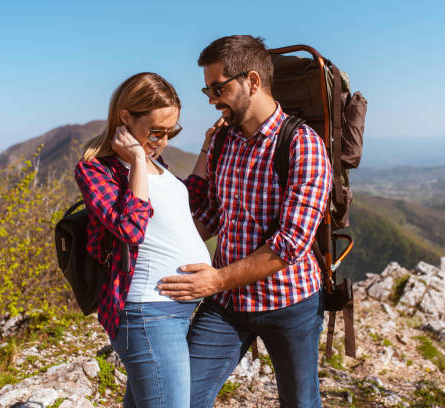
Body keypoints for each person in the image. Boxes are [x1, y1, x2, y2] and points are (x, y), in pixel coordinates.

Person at [158, 35, 332, 408]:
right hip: (228, 303)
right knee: (179, 398)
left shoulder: (303, 145)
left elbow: (290, 244)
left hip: (290, 301)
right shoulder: (224, 142)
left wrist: (216, 278)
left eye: (218, 87)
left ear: (252, 81)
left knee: (301, 402)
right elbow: (207, 214)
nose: (211, 99)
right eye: (206, 89)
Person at [74, 72, 212, 408]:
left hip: (174, 311)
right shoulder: (96, 170)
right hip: (148, 311)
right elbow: (131, 229)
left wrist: (208, 145)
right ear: (125, 117)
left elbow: (187, 200)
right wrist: (136, 159)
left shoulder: (155, 161)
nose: (163, 140)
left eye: (171, 132)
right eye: (156, 131)